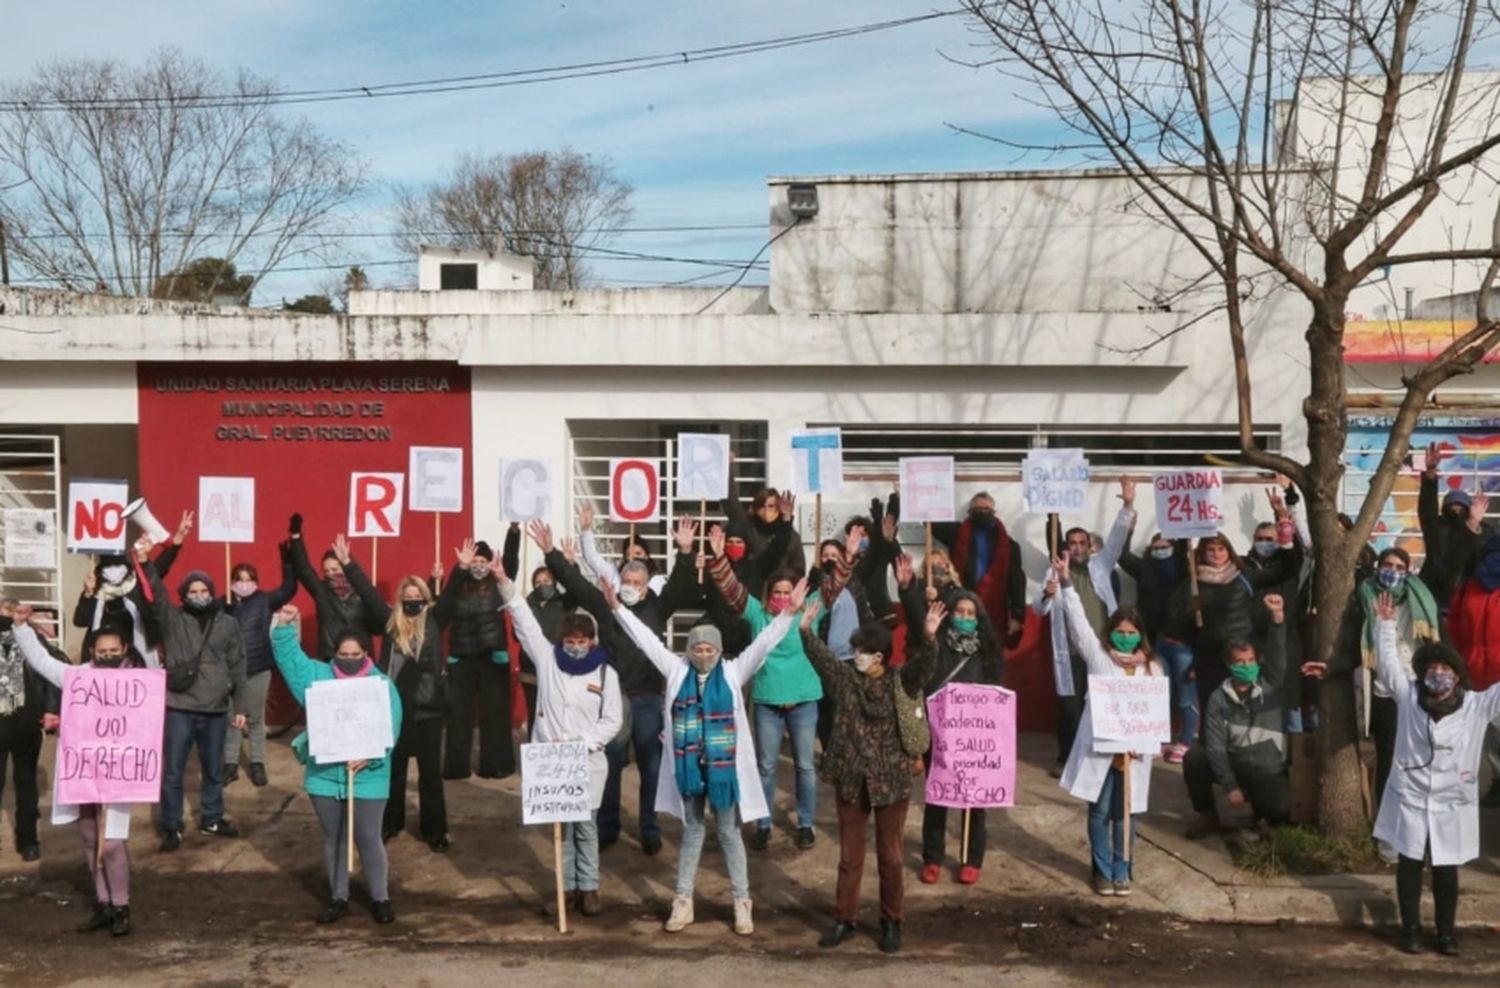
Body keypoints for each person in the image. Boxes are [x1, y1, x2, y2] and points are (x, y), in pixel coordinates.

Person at [606, 576, 807, 936]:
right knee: (693, 832)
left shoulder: (732, 672)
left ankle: (741, 903)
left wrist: (788, 615)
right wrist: (619, 609)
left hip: (723, 773)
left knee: (729, 833)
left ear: (718, 651)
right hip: (689, 772)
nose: (702, 655)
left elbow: (762, 645)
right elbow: (646, 640)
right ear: (688, 650)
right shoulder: (675, 669)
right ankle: (682, 902)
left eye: (708, 650)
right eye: (696, 649)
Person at [540, 515, 703, 855]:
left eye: (635, 581)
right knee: (611, 762)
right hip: (612, 700)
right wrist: (551, 553)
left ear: (645, 584)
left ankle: (649, 827)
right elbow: (576, 582)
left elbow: (681, 583)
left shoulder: (657, 608)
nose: (629, 585)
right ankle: (607, 826)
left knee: (651, 765)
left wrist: (685, 551)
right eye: (625, 579)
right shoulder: (606, 604)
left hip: (647, 699)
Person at [1355, 592, 1500, 955]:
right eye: (1432, 669)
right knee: (1409, 862)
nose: (1439, 675)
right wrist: (1386, 626)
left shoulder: (1477, 706)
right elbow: (1388, 665)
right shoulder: (1408, 697)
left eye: (1446, 670)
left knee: (1446, 868)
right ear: (1422, 673)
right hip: (1412, 795)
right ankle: (1411, 930)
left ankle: (1446, 934)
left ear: (1457, 675)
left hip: (1452, 800)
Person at [707, 524, 857, 851]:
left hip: (804, 700)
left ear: (798, 594)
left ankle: (805, 823)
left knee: (804, 765)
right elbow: (731, 589)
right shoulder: (758, 615)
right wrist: (719, 559)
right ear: (768, 594)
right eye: (777, 592)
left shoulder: (810, 611)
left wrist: (848, 556)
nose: (782, 597)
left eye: (788, 592)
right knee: (766, 766)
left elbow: (834, 585)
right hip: (766, 702)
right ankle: (763, 823)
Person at [803, 600, 936, 955]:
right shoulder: (846, 681)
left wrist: (930, 638)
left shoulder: (900, 682)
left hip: (891, 781)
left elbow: (924, 666)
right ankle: (844, 919)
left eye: (862, 651)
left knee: (891, 858)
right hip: (851, 778)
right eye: (856, 649)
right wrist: (804, 629)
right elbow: (822, 659)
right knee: (849, 858)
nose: (856, 656)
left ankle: (892, 922)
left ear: (879, 656)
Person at [10, 608, 150, 935]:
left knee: (112, 841)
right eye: (102, 653)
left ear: (125, 650)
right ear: (92, 652)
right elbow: (42, 662)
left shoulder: (138, 681)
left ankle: (121, 905)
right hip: (83, 771)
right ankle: (103, 903)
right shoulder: (77, 677)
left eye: (114, 652)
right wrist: (22, 628)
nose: (108, 656)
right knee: (89, 837)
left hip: (118, 773)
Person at [501, 563, 622, 917]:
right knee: (561, 829)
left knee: (585, 826)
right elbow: (524, 622)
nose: (574, 648)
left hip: (585, 761)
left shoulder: (605, 672)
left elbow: (612, 718)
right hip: (553, 763)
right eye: (569, 642)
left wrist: (584, 744)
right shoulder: (548, 660)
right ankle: (565, 887)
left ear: (592, 642)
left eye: (581, 642)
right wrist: (504, 582)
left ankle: (589, 887)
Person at [270, 607, 400, 924]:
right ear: (335, 653)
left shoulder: (382, 684)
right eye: (343, 653)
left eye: (355, 653)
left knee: (369, 836)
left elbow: (392, 726)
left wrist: (371, 757)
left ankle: (380, 897)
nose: (349, 659)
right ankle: (338, 896)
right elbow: (291, 662)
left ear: (366, 653)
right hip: (325, 775)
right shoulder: (318, 677)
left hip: (369, 774)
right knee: (335, 837)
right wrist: (284, 628)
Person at [1049, 556, 1162, 896]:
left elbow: (1155, 710)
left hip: (1132, 755)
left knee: (1125, 815)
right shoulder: (1099, 658)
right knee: (1099, 813)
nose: (1125, 638)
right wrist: (1067, 583)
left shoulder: (1151, 670)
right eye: (1119, 632)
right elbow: (1080, 623)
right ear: (1109, 632)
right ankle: (1101, 870)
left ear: (1140, 636)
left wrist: (1146, 744)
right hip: (1102, 750)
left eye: (1131, 633)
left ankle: (1123, 869)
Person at [142, 538, 249, 851]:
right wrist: (147, 560)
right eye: (193, 591)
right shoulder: (173, 619)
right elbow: (156, 589)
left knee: (213, 769)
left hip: (216, 709)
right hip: (179, 706)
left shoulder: (228, 623)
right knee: (173, 771)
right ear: (184, 595)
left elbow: (239, 664)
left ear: (212, 592)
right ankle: (172, 825)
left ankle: (212, 818)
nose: (199, 596)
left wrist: (240, 705)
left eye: (204, 591)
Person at [904, 560, 1004, 885]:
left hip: (976, 739)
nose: (963, 617)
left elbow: (997, 695)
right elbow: (917, 619)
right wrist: (909, 590)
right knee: (938, 796)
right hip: (939, 734)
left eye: (969, 613)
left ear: (979, 618)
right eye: (958, 612)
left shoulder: (988, 653)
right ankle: (932, 857)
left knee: (974, 801)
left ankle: (971, 858)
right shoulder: (937, 646)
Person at [1332, 547, 1440, 848]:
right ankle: (1389, 833)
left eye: (1399, 566)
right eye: (1387, 565)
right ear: (1378, 568)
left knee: (1421, 762)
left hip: (1419, 694)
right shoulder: (1363, 598)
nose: (1392, 570)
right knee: (1391, 763)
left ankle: (1420, 831)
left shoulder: (1422, 599)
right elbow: (1354, 648)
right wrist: (1329, 668)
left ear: (1408, 571)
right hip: (1384, 693)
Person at [1035, 480, 1137, 771]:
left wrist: (1127, 505)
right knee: (1069, 708)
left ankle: (1103, 755)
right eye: (1072, 543)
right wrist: (1047, 594)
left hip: (1103, 650)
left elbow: (1117, 538)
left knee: (1104, 704)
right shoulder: (1053, 571)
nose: (1078, 548)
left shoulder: (1101, 565)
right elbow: (1039, 609)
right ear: (1065, 546)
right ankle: (1067, 759)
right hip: (1070, 653)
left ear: (1090, 546)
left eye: (1082, 543)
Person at [1183, 594, 1292, 837]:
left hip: (1267, 767)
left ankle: (1263, 815)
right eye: (1239, 662)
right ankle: (1207, 816)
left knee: (1279, 809)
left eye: (1251, 660)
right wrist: (1230, 786)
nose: (1246, 666)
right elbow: (1215, 746)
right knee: (1195, 758)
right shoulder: (1218, 698)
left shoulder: (1270, 685)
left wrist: (1277, 620)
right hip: (1236, 761)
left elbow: (1278, 656)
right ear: (1228, 664)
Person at [379, 576, 449, 851]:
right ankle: (391, 823)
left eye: (416, 596)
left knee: (430, 774)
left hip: (427, 710)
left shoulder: (433, 621)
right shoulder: (391, 625)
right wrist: (349, 565)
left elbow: (451, 595)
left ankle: (435, 831)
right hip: (396, 709)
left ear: (425, 597)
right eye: (406, 596)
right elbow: (385, 663)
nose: (411, 601)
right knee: (394, 773)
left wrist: (463, 568)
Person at [435, 538, 513, 780]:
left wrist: (513, 531)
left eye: (483, 561)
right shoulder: (458, 584)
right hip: (462, 658)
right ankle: (456, 768)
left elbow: (512, 560)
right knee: (458, 717)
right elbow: (441, 613)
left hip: (493, 658)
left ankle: (496, 765)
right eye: (475, 561)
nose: (478, 565)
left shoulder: (498, 584)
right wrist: (459, 569)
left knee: (496, 716)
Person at [222, 543, 299, 786]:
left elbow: (289, 589)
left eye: (249, 579)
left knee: (255, 718)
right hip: (230, 670)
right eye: (239, 579)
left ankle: (257, 762)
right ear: (232, 581)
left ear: (255, 581)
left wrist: (287, 562)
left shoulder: (265, 600)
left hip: (258, 668)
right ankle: (230, 764)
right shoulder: (224, 604)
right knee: (232, 718)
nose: (244, 583)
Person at [72, 510, 192, 658]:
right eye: (108, 567)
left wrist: (177, 540)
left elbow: (159, 566)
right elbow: (80, 621)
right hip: (101, 660)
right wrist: (87, 595)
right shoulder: (95, 588)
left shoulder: (137, 583)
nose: (114, 571)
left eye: (118, 566)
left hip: (136, 659)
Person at [1118, 532, 1194, 757]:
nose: (1161, 550)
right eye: (1156, 547)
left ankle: (1186, 740)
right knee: (1159, 691)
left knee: (1185, 694)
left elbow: (1184, 547)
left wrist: (1184, 528)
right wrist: (1129, 527)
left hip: (1181, 640)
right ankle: (1162, 737)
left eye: (1165, 546)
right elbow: (1122, 556)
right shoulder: (1144, 568)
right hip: (1153, 641)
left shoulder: (1182, 569)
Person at [1442, 534, 1500, 808]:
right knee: (1482, 737)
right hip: (1474, 674)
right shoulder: (1468, 588)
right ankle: (1491, 785)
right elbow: (1453, 628)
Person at [286, 515, 386, 659]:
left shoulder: (362, 590)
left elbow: (380, 620)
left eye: (335, 569)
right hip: (330, 658)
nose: (331, 574)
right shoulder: (322, 591)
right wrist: (295, 537)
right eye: (326, 571)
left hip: (360, 659)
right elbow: (304, 570)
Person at [0, 596, 53, 863]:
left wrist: (50, 709)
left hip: (25, 721)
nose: (9, 615)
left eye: (13, 610)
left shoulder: (30, 637)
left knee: (26, 783)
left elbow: (52, 670)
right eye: (5, 610)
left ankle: (28, 840)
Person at [930, 492, 1025, 638]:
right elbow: (929, 522)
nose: (982, 512)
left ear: (993, 512)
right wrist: (904, 495)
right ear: (970, 512)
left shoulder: (1009, 546)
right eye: (978, 509)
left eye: (986, 509)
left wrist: (1017, 616)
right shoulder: (956, 532)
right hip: (961, 609)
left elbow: (1016, 582)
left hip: (993, 611)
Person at [1416, 442, 1486, 614]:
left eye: (1461, 508)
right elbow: (1427, 509)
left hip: (1464, 600)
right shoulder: (1437, 528)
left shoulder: (1479, 532)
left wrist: (1473, 524)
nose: (1456, 511)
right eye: (1452, 507)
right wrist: (1430, 475)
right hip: (1430, 596)